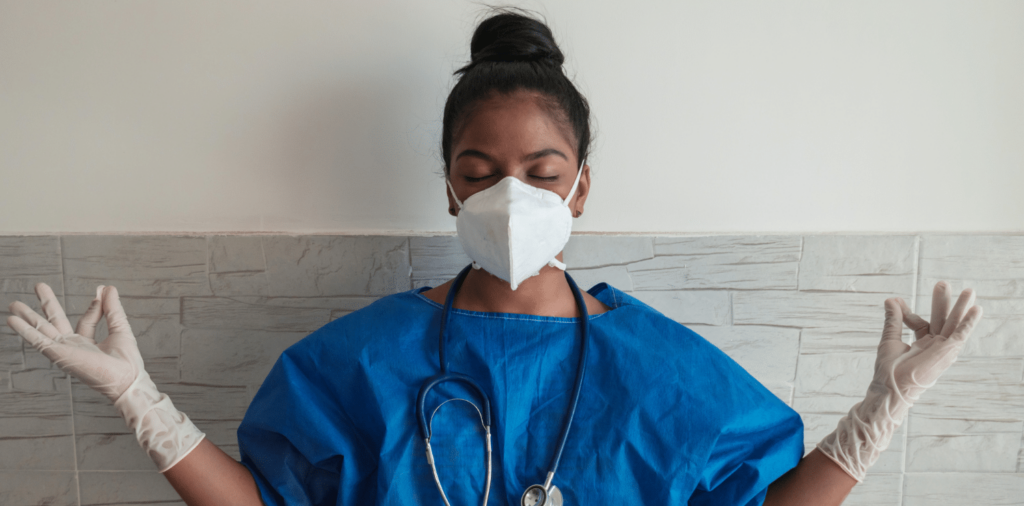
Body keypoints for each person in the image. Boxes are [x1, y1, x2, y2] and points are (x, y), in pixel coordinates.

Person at [5, 9, 983, 506]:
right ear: (447, 186)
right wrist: (140, 398)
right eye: (480, 171)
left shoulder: (666, 372)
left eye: (540, 170)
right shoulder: (357, 361)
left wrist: (878, 412)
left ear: (580, 190)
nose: (509, 195)